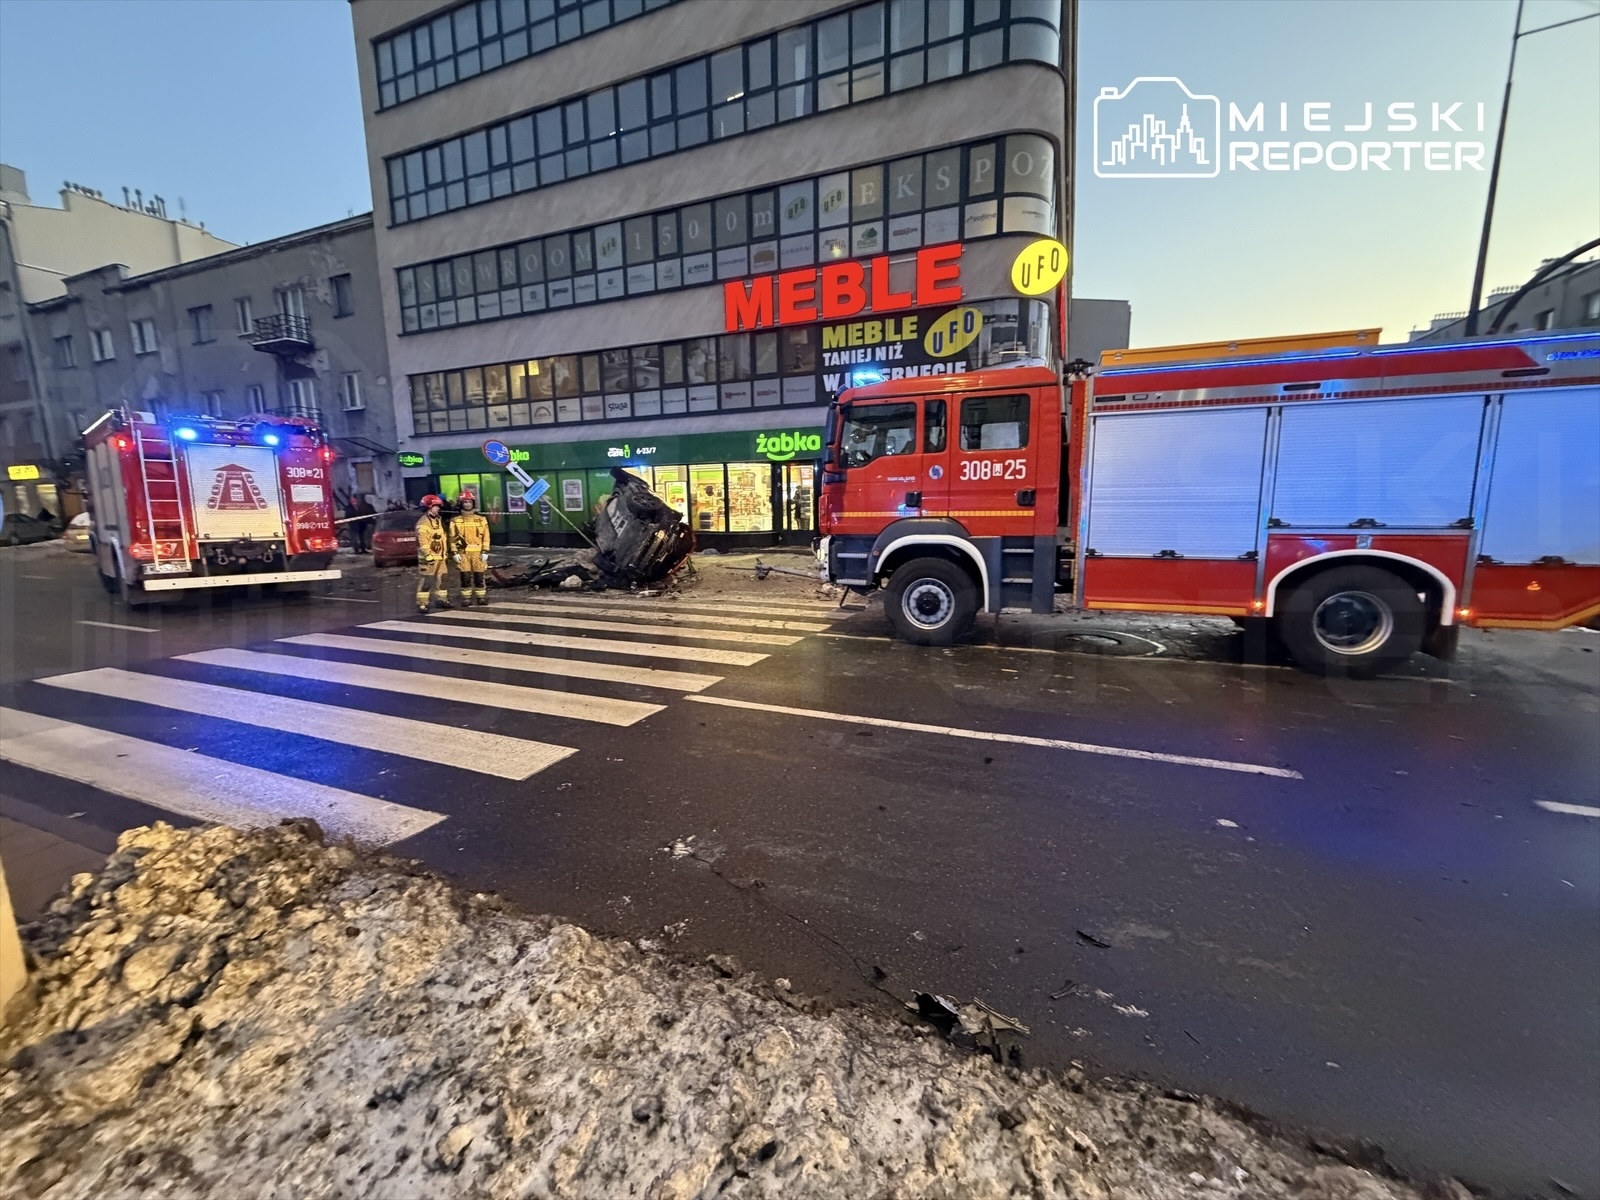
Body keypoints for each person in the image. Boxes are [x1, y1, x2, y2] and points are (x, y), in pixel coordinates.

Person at [449, 490, 492, 607]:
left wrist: (485, 551)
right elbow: (452, 537)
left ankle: (481, 597)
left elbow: (486, 536)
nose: (467, 504)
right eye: (465, 502)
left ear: (473, 503)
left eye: (469, 502)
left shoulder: (481, 519)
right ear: (461, 504)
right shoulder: (456, 520)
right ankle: (466, 598)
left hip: (478, 553)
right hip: (463, 553)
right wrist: (454, 552)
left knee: (479, 576)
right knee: (465, 577)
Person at [414, 494, 452, 613]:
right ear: (428, 507)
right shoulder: (423, 523)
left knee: (443, 579)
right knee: (427, 582)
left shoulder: (437, 520)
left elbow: (442, 539)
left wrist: (445, 554)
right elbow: (423, 542)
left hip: (440, 557)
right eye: (435, 507)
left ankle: (441, 600)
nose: (438, 509)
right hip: (429, 559)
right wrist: (428, 556)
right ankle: (422, 604)